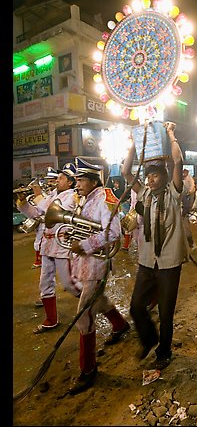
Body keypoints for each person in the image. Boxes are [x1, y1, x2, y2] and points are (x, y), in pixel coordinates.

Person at [121, 122, 189, 371]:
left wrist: (171, 133)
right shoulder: (145, 195)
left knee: (166, 312)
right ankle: (149, 339)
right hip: (147, 262)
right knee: (136, 306)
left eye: (155, 175)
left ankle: (164, 351)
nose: (150, 180)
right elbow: (126, 171)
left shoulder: (174, 192)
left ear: (164, 176)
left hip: (170, 263)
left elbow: (178, 161)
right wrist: (132, 143)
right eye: (147, 176)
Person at [68, 157, 130, 395]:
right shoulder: (84, 200)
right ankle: (120, 325)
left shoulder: (105, 198)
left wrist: (84, 244)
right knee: (99, 301)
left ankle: (88, 369)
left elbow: (114, 232)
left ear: (94, 180)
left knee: (84, 314)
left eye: (81, 180)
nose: (77, 184)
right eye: (76, 179)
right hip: (85, 263)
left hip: (96, 264)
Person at [16, 163, 83, 333]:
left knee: (69, 283)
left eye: (61, 178)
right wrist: (23, 201)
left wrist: (38, 195)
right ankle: (51, 319)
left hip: (61, 244)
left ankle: (92, 302)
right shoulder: (52, 195)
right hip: (47, 245)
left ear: (70, 182)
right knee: (45, 283)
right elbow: (36, 214)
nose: (56, 181)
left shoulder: (73, 197)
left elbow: (53, 213)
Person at [181, 168, 197, 250]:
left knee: (186, 229)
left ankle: (191, 244)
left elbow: (192, 188)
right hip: (183, 202)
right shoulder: (181, 180)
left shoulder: (189, 179)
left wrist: (189, 192)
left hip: (187, 199)